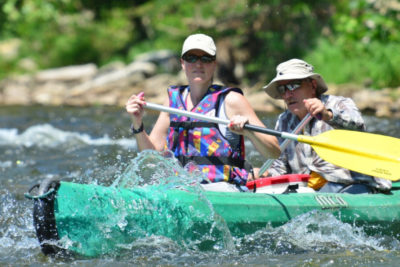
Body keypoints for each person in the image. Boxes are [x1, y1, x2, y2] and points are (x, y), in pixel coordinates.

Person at [126, 33, 280, 188]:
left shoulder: (231, 100)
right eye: (191, 58)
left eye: (205, 59)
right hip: (178, 186)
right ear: (182, 63)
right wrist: (138, 124)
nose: (198, 64)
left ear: (214, 64)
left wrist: (249, 132)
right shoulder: (172, 102)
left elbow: (274, 152)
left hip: (221, 188)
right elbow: (150, 158)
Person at [262, 58, 391, 193]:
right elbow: (280, 168)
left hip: (351, 184)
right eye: (282, 89)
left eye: (293, 86)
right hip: (306, 190)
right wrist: (264, 176)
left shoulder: (339, 104)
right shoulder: (283, 121)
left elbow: (358, 129)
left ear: (312, 86)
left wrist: (327, 115)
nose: (288, 94)